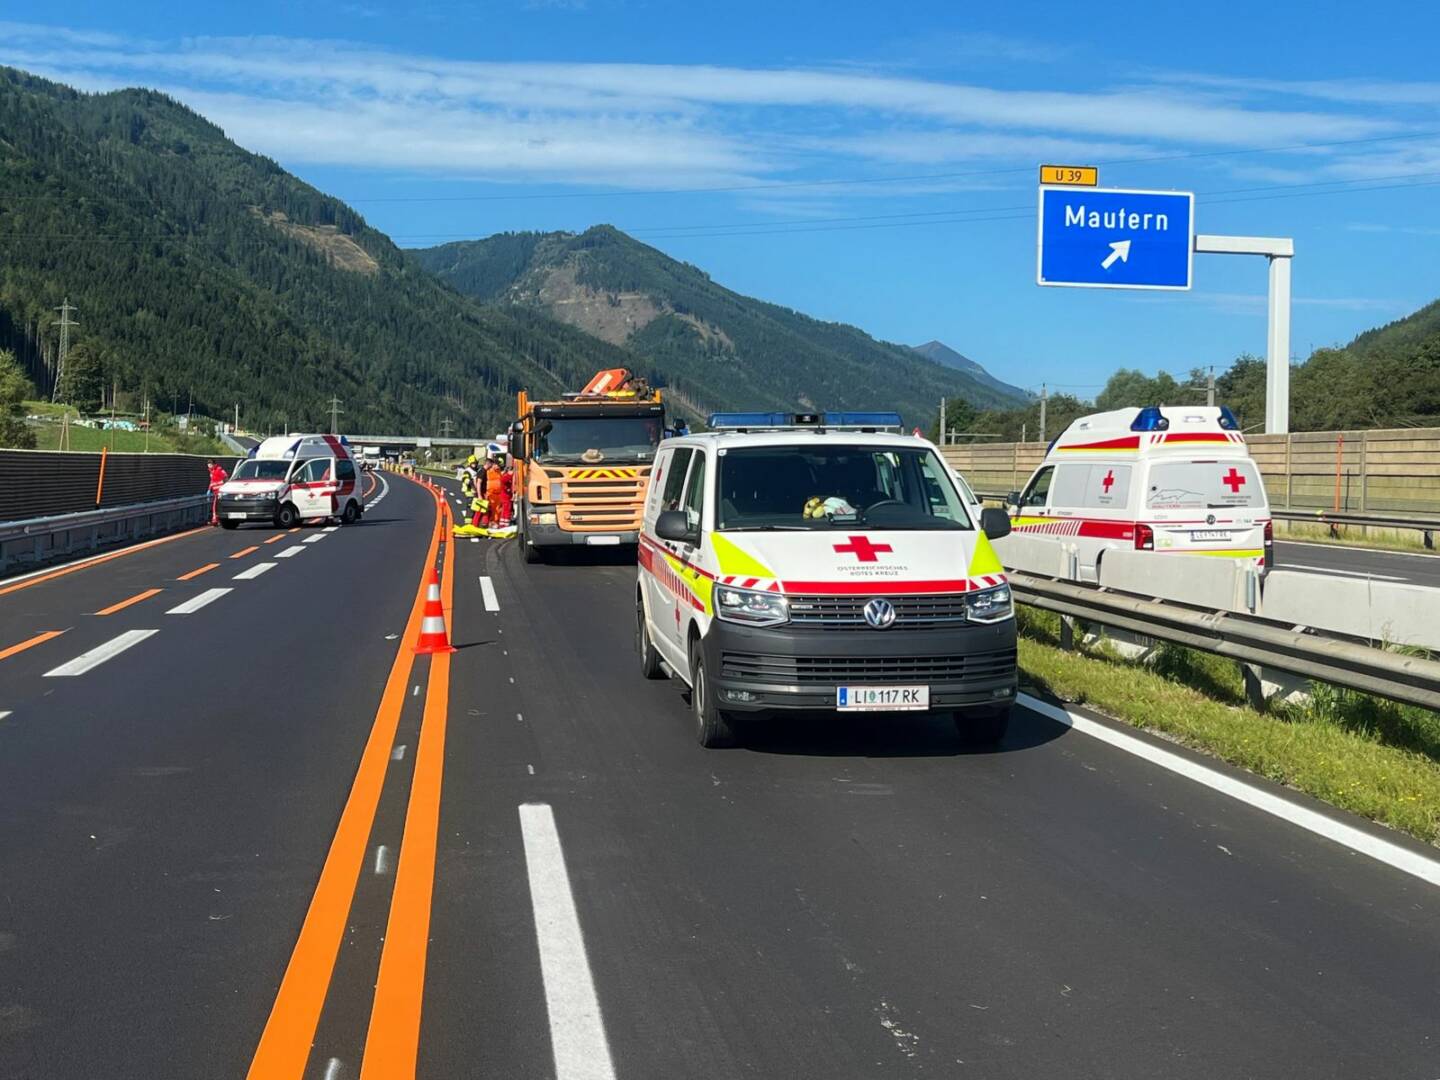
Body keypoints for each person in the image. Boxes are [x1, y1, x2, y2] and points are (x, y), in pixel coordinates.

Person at [206, 459, 229, 525]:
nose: (209, 466)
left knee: (216, 505)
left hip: (220, 491)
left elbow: (226, 478)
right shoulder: (211, 472)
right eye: (208, 465)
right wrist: (209, 489)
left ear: (214, 464)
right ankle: (215, 519)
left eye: (210, 464)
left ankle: (215, 519)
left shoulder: (219, 470)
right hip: (215, 491)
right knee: (215, 505)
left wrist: (222, 487)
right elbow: (212, 481)